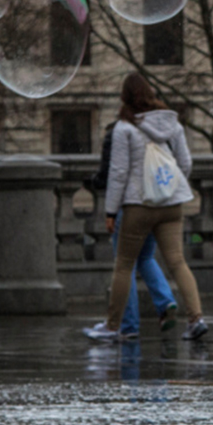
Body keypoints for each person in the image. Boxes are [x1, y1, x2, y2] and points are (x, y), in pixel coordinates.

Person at [84, 73, 207, 341]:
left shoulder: (124, 127)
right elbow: (185, 163)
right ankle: (196, 318)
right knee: (177, 261)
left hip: (139, 204)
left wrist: (110, 211)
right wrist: (170, 188)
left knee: (124, 265)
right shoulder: (171, 123)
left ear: (124, 98)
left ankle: (113, 326)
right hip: (172, 203)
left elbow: (118, 173)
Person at [89, 121, 179, 339]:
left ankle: (128, 325)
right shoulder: (161, 127)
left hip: (131, 207)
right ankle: (166, 300)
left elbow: (111, 173)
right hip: (158, 202)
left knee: (124, 263)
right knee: (146, 257)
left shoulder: (118, 131)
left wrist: (97, 191)